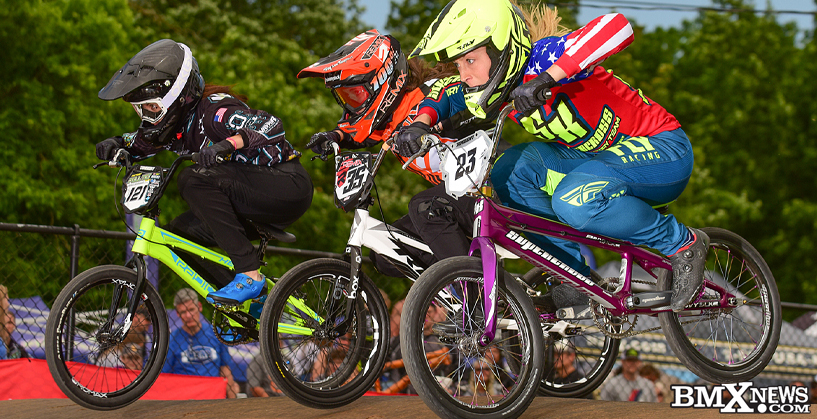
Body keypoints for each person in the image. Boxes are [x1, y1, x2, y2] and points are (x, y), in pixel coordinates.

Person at [404, 0, 709, 313]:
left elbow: (617, 26)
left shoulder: (544, 58)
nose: (464, 73)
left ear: (499, 50)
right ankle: (573, 275)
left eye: (470, 60)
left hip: (662, 149)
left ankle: (682, 243)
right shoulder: (493, 88)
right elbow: (445, 92)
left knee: (572, 199)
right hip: (600, 160)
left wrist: (548, 77)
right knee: (509, 171)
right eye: (459, 64)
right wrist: (418, 125)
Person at [95, 39, 313, 307]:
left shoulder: (215, 112)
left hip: (285, 185)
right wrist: (117, 143)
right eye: (140, 110)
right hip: (245, 196)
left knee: (192, 179)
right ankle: (250, 305)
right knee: (176, 238)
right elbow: (143, 143)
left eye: (151, 108)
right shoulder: (177, 124)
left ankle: (249, 274)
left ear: (175, 98)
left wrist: (227, 144)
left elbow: (272, 125)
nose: (146, 117)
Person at [297, 30, 494, 277]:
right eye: (346, 97)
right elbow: (358, 133)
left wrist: (444, 122)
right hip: (457, 197)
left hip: (488, 184)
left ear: (383, 80)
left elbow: (470, 100)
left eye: (356, 94)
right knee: (385, 252)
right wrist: (334, 137)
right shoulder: (388, 120)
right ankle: (452, 292)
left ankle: (476, 289)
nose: (352, 105)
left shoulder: (429, 93)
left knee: (423, 207)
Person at [162, 288, 240, 398]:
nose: (188, 316)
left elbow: (225, 370)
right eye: (183, 312)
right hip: (183, 398)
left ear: (199, 307)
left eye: (191, 310)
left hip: (213, 396)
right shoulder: (172, 340)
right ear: (177, 314)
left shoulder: (215, 333)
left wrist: (233, 401)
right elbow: (164, 376)